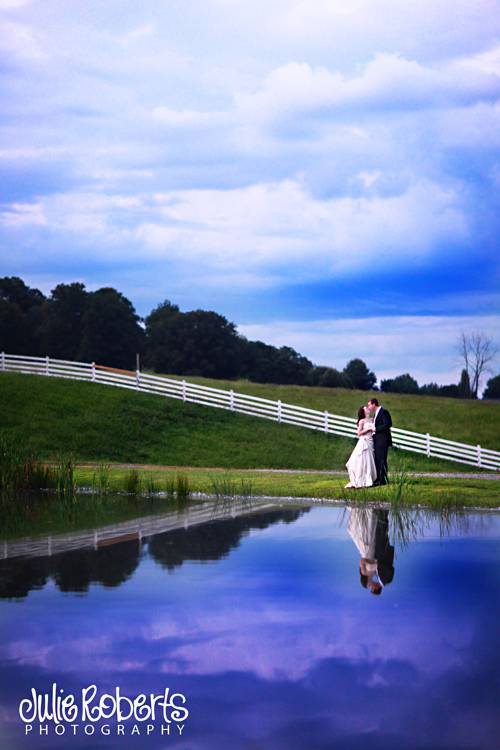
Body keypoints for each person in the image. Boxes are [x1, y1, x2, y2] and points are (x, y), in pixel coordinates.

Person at [347, 508, 395, 596]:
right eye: (372, 588)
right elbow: (389, 568)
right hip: (383, 550)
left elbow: (364, 561)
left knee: (378, 529)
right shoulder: (386, 580)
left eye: (370, 587)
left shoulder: (376, 576)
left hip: (373, 550)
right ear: (376, 589)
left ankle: (381, 510)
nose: (371, 586)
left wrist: (374, 564)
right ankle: (383, 510)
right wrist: (376, 564)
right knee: (382, 530)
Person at [345, 405, 377, 488]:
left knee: (369, 460)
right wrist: (368, 429)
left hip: (371, 441)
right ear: (363, 411)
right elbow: (359, 433)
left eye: (367, 407)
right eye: (366, 408)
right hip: (364, 441)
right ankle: (361, 479)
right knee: (362, 460)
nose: (367, 409)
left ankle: (369, 479)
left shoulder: (373, 419)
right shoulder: (362, 421)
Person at [367, 397, 392, 486]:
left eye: (369, 405)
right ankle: (381, 479)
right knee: (378, 460)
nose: (368, 407)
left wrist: (376, 429)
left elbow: (388, 424)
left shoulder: (384, 412)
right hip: (377, 440)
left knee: (381, 460)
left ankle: (381, 480)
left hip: (382, 440)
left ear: (374, 404)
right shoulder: (376, 414)